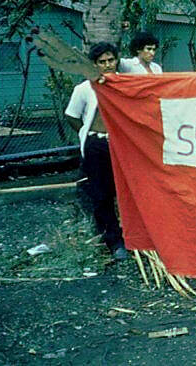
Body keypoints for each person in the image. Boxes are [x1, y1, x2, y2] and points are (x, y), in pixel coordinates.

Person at [64, 42, 127, 260]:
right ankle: (114, 241)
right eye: (102, 62)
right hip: (97, 146)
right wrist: (86, 132)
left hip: (122, 145)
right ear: (94, 64)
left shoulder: (126, 84)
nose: (108, 65)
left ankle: (136, 237)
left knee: (127, 191)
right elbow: (72, 115)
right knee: (101, 194)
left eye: (111, 60)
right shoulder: (84, 89)